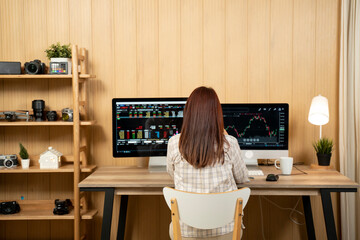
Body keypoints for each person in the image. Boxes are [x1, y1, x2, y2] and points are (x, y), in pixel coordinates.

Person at [166, 86, 249, 240]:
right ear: (216, 114)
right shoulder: (229, 143)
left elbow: (172, 174)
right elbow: (242, 178)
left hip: (185, 233)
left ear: (188, 113)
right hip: (225, 233)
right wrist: (226, 136)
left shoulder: (173, 143)